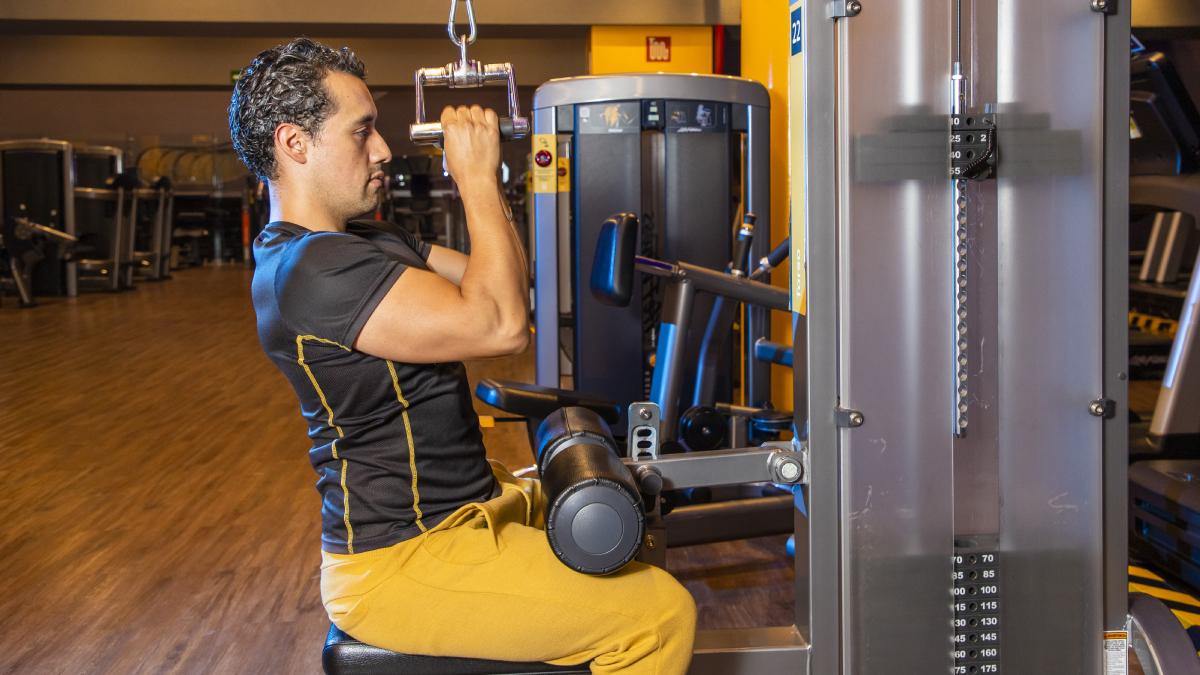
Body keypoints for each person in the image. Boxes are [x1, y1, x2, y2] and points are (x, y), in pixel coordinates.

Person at [229, 38, 696, 674]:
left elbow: (502, 282)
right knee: (657, 619)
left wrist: (488, 187)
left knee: (627, 533)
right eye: (362, 131)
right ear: (295, 144)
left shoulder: (364, 237)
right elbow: (502, 327)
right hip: (404, 557)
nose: (385, 149)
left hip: (464, 513)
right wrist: (475, 176)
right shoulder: (310, 268)